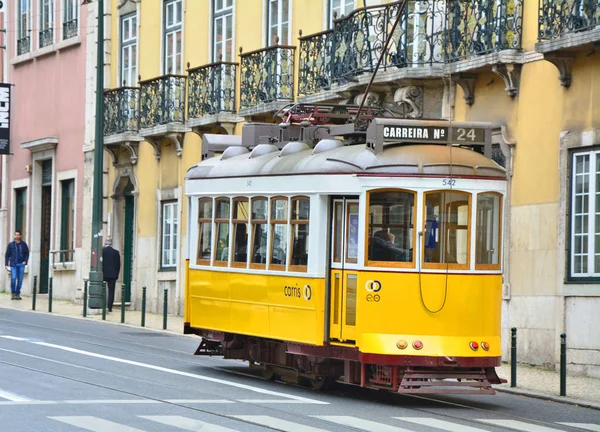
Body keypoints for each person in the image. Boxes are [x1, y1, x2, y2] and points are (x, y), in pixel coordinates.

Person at [5, 231, 29, 300]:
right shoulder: (11, 245)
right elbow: (7, 255)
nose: (17, 236)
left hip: (21, 264)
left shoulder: (24, 244)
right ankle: (13, 293)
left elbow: (27, 253)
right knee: (13, 278)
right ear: (14, 236)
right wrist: (6, 264)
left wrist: (25, 261)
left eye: (18, 235)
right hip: (13, 264)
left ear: (20, 236)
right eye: (16, 235)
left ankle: (17, 294)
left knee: (20, 280)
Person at [102, 238, 121, 312]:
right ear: (111, 244)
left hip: (104, 274)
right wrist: (116, 275)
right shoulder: (116, 252)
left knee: (103, 290)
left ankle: (102, 305)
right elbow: (118, 265)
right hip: (113, 275)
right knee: (111, 291)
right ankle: (109, 308)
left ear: (105, 243)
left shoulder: (102, 251)